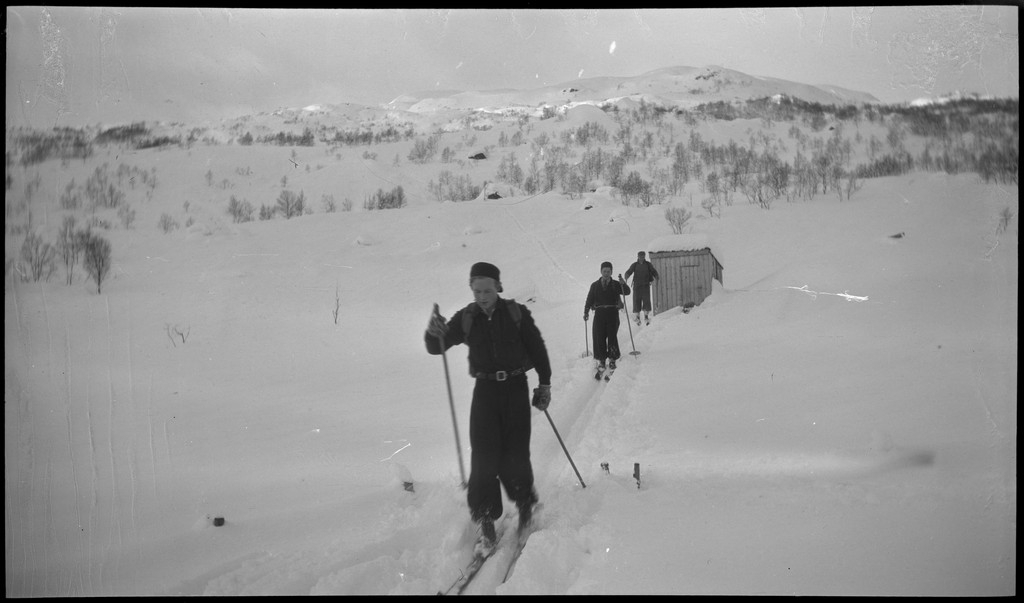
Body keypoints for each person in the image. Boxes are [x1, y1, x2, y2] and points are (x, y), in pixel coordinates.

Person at [425, 262, 552, 551]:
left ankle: (525, 509)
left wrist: (544, 383)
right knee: (483, 458)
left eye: (488, 289)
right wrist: (433, 332)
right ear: (471, 289)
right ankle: (485, 521)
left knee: (516, 454)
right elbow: (437, 346)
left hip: (515, 390)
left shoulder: (516, 313)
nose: (482, 295)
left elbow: (537, 348)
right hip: (485, 393)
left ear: (498, 286)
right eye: (477, 290)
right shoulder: (467, 317)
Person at [583, 261, 630, 378]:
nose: (606, 273)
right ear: (601, 271)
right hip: (599, 314)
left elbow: (627, 292)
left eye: (608, 271)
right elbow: (589, 299)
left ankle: (612, 359)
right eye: (604, 271)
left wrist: (623, 284)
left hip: (612, 313)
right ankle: (602, 360)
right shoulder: (594, 285)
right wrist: (586, 311)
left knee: (612, 337)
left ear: (611, 272)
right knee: (599, 337)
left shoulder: (615, 284)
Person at [623, 251, 660, 326]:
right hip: (637, 286)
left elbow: (653, 271)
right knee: (636, 300)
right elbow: (629, 271)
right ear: (638, 256)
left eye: (643, 256)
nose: (642, 258)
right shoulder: (635, 265)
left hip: (646, 285)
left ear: (644, 256)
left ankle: (646, 317)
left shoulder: (648, 264)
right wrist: (627, 275)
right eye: (640, 256)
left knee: (646, 300)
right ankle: (637, 317)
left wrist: (656, 275)